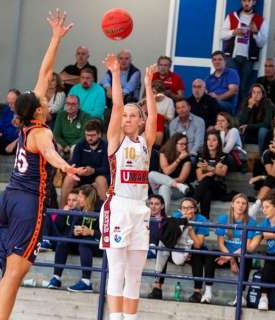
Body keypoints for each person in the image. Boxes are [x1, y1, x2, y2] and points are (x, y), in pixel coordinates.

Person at [0, 11, 84, 320]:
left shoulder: (29, 122)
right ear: (39, 109)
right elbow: (50, 154)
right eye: (42, 99)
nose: (45, 97)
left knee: (12, 270)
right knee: (17, 271)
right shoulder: (42, 131)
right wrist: (68, 167)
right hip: (27, 202)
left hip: (9, 199)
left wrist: (55, 38)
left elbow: (45, 73)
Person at [99, 47, 158, 320]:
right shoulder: (116, 139)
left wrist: (147, 85)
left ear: (141, 120)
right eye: (126, 116)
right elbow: (118, 106)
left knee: (135, 275)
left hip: (140, 208)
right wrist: (115, 74)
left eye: (134, 115)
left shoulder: (145, 141)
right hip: (118, 206)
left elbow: (154, 119)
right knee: (118, 271)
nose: (127, 118)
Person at [147, 198, 212, 304]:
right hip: (177, 248)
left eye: (190, 207)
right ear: (180, 209)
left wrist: (190, 229)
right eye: (184, 208)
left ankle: (197, 292)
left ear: (195, 209)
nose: (186, 210)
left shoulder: (201, 219)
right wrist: (183, 221)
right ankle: (157, 288)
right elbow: (169, 238)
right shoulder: (177, 216)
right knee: (163, 246)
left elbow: (198, 244)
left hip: (193, 251)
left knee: (197, 252)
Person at [45, 184, 102, 292]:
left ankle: (86, 282)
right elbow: (70, 231)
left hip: (97, 244)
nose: (78, 199)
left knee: (84, 243)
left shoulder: (101, 209)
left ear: (87, 198)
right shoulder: (78, 210)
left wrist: (91, 232)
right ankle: (56, 278)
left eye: (80, 197)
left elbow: (107, 235)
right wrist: (75, 232)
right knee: (64, 242)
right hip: (82, 243)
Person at [211, 193, 261, 305]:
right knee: (210, 256)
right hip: (226, 254)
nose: (240, 205)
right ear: (232, 204)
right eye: (238, 202)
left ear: (247, 206)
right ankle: (207, 293)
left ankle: (239, 296)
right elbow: (220, 243)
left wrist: (233, 258)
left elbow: (246, 246)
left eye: (243, 203)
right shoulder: (224, 218)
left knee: (246, 257)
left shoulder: (251, 222)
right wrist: (231, 260)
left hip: (240, 254)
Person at [221, 0, 267, 103]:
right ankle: (229, 113)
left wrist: (256, 33)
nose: (247, 3)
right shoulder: (232, 16)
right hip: (232, 57)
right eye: (244, 0)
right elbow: (222, 35)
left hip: (248, 59)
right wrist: (233, 32)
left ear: (254, 2)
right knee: (231, 87)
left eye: (249, 1)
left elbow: (261, 43)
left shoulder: (260, 20)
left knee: (243, 88)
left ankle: (240, 115)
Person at [60, 119, 108, 206]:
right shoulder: (80, 146)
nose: (89, 138)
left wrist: (93, 171)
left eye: (93, 135)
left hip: (98, 176)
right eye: (87, 135)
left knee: (101, 180)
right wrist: (78, 170)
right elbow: (74, 164)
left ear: (99, 134)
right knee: (69, 179)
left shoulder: (106, 147)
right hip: (82, 176)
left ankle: (103, 213)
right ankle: (62, 211)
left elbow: (107, 168)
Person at [148, 133, 191, 211]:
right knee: (151, 174)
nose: (184, 147)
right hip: (160, 186)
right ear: (174, 144)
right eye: (181, 144)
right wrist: (178, 159)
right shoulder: (164, 153)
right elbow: (167, 171)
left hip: (178, 190)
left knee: (165, 187)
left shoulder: (186, 159)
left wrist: (180, 159)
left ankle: (162, 215)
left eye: (185, 144)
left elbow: (181, 179)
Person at [194, 130, 230, 218]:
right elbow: (199, 177)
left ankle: (193, 202)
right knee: (207, 191)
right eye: (208, 140)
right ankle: (205, 220)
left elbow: (222, 172)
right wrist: (214, 169)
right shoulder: (200, 156)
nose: (210, 142)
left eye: (214, 140)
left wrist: (207, 169)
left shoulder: (224, 156)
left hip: (219, 189)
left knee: (208, 179)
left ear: (219, 142)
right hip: (205, 188)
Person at [237, 83, 274, 149]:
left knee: (262, 131)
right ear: (251, 94)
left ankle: (263, 156)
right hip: (250, 132)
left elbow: (266, 124)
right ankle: (239, 156)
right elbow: (241, 122)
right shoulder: (247, 102)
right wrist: (249, 107)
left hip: (263, 132)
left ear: (262, 95)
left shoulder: (268, 103)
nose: (256, 95)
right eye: (253, 92)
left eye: (258, 93)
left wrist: (249, 126)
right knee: (239, 130)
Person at [147, 194, 166, 259]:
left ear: (162, 206)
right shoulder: (144, 219)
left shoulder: (166, 221)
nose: (153, 206)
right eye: (151, 203)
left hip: (156, 250)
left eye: (156, 204)